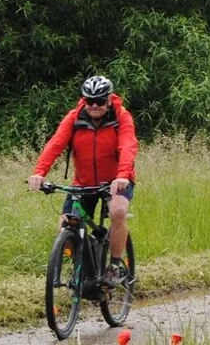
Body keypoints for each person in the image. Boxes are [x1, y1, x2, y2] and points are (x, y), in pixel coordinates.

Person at [28, 75, 139, 284]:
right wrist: (39, 172)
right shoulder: (75, 117)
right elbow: (55, 144)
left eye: (99, 101)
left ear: (108, 99)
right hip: (83, 182)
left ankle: (115, 266)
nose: (94, 105)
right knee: (65, 225)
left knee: (118, 211)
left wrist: (123, 175)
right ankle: (85, 263)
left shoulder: (121, 117)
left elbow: (128, 146)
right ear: (84, 100)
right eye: (89, 101)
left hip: (116, 181)